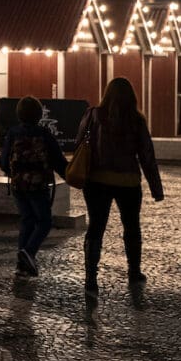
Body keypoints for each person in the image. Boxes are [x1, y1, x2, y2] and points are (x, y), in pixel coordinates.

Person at [73, 77, 164, 290]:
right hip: (128, 182)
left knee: (96, 227)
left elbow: (78, 142)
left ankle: (90, 277)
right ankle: (134, 272)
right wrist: (156, 189)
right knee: (131, 227)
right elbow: (146, 156)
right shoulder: (136, 120)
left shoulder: (93, 115)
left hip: (96, 181)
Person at [0, 96, 69, 277]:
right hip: (38, 185)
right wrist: (70, 176)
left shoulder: (13, 133)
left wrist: (14, 172)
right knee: (44, 222)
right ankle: (29, 252)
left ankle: (22, 266)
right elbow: (58, 160)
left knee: (27, 220)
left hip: (18, 185)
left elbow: (4, 162)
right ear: (39, 115)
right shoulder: (44, 134)